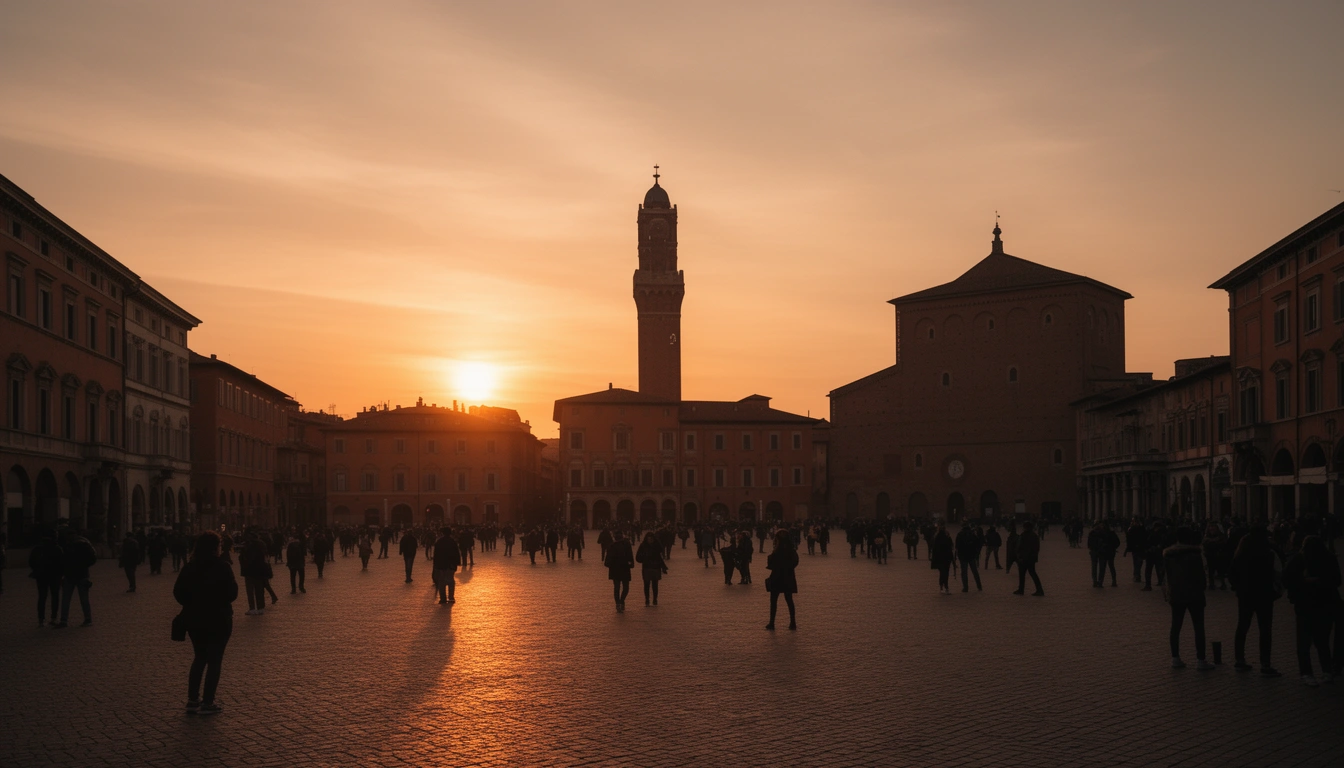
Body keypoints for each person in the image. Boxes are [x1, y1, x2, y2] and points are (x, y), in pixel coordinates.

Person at [173, 531, 238, 716]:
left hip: (195, 619)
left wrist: (192, 603)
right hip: (219, 618)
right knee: (215, 660)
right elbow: (232, 593)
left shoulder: (189, 567)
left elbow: (178, 592)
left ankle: (192, 699)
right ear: (216, 548)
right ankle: (208, 702)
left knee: (200, 657)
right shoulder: (222, 567)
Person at [1283, 535, 1340, 686]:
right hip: (1325, 604)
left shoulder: (1298, 560)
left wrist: (1303, 582)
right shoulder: (1329, 559)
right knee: (1322, 641)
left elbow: (1287, 580)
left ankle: (1307, 673)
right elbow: (1337, 580)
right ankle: (1327, 671)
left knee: (1304, 642)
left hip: (1305, 605)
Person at [1229, 526, 1281, 676]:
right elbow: (1278, 573)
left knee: (1242, 626)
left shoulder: (1241, 554)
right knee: (1265, 629)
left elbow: (1232, 574)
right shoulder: (1269, 554)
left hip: (1245, 595)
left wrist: (1238, 588)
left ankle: (1240, 660)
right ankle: (1265, 664)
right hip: (1265, 595)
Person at [1164, 526, 1214, 670]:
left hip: (1176, 594)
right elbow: (1201, 576)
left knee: (1175, 626)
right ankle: (1200, 659)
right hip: (1194, 594)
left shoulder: (1169, 555)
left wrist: (1168, 592)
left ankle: (1175, 658)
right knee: (1198, 627)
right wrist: (1202, 587)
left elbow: (1165, 576)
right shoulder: (1195, 554)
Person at [56, 529, 96, 628]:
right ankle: (87, 619)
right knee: (83, 599)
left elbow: (62, 561)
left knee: (66, 599)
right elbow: (93, 558)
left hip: (70, 574)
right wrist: (84, 566)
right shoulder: (84, 544)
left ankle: (64, 620)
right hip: (82, 574)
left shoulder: (67, 546)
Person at [765, 530, 799, 630]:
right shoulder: (791, 549)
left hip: (777, 576)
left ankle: (772, 623)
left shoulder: (777, 550)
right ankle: (793, 622)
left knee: (773, 600)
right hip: (788, 576)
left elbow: (771, 564)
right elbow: (795, 562)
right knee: (789, 600)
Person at [29, 532, 63, 627]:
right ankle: (53, 618)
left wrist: (36, 570)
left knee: (42, 597)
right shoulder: (57, 548)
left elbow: (31, 562)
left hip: (41, 575)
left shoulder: (38, 549)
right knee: (55, 596)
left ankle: (41, 619)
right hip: (54, 576)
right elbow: (61, 563)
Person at [605, 529, 635, 612]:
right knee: (625, 587)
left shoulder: (612, 546)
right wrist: (631, 564)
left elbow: (607, 561)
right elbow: (630, 556)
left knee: (617, 588)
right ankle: (621, 601)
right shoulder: (626, 545)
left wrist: (610, 564)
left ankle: (618, 603)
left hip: (615, 570)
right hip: (625, 568)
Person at [635, 532, 668, 606]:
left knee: (655, 584)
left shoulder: (657, 546)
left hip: (655, 567)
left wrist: (663, 567)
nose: (650, 540)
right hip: (647, 567)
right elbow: (637, 557)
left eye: (651, 539)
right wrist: (644, 558)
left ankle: (655, 599)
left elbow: (659, 556)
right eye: (649, 539)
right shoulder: (643, 546)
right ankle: (647, 599)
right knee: (646, 584)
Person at [1012, 521, 1043, 596]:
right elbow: (1036, 548)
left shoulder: (1024, 535)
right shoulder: (1034, 535)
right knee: (1032, 573)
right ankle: (1039, 589)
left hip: (1024, 558)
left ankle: (1021, 589)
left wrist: (1019, 556)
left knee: (1022, 574)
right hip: (1031, 558)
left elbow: (1020, 546)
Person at [432, 527, 462, 604]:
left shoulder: (439, 542)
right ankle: (451, 597)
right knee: (451, 580)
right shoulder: (452, 541)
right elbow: (457, 553)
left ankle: (443, 598)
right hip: (451, 565)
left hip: (441, 565)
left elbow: (436, 554)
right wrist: (457, 563)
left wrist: (435, 565)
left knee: (441, 581)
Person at [955, 524, 983, 592]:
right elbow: (978, 543)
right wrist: (976, 552)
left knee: (964, 572)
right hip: (971, 555)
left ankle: (965, 587)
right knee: (975, 571)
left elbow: (957, 546)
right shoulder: (972, 534)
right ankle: (979, 586)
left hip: (963, 556)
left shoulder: (960, 534)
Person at [931, 523, 955, 594]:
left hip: (939, 558)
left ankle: (942, 586)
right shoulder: (946, 537)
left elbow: (934, 549)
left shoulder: (936, 537)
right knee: (945, 573)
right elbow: (950, 547)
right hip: (946, 558)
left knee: (942, 573)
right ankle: (945, 586)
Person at [1124, 519, 1147, 583]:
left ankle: (1137, 575)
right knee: (1137, 562)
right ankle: (1137, 575)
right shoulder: (1134, 529)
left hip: (1139, 548)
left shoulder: (1139, 529)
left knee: (1138, 562)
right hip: (1136, 548)